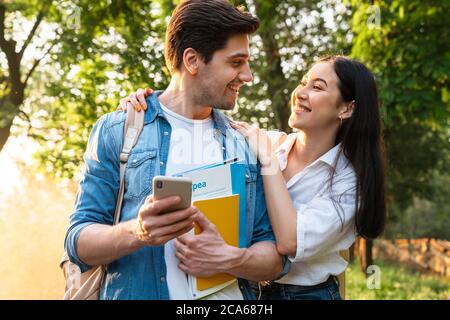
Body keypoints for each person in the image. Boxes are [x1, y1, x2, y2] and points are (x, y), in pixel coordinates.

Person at [64, 0, 286, 300]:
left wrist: (230, 259)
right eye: (236, 62)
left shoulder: (246, 143)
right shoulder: (119, 131)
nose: (248, 76)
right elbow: (77, 244)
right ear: (192, 60)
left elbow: (274, 259)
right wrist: (138, 231)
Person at [125, 55, 386, 300]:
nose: (300, 94)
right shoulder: (266, 141)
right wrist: (147, 106)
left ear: (347, 108)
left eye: (317, 87)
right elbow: (201, 127)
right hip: (248, 288)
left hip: (307, 293)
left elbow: (290, 241)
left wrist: (269, 161)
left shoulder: (349, 182)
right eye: (303, 82)